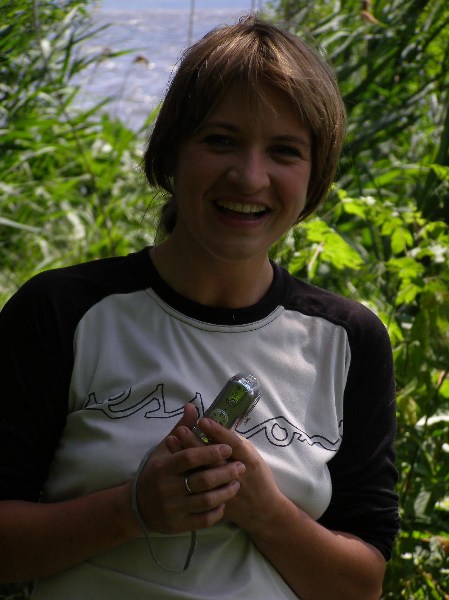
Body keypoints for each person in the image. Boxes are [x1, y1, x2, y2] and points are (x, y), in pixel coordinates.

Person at [0, 15, 399, 600]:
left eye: (284, 151)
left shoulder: (348, 340)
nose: (250, 176)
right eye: (220, 140)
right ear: (172, 152)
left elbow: (361, 585)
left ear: (316, 177)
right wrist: (134, 508)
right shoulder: (62, 313)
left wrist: (265, 510)